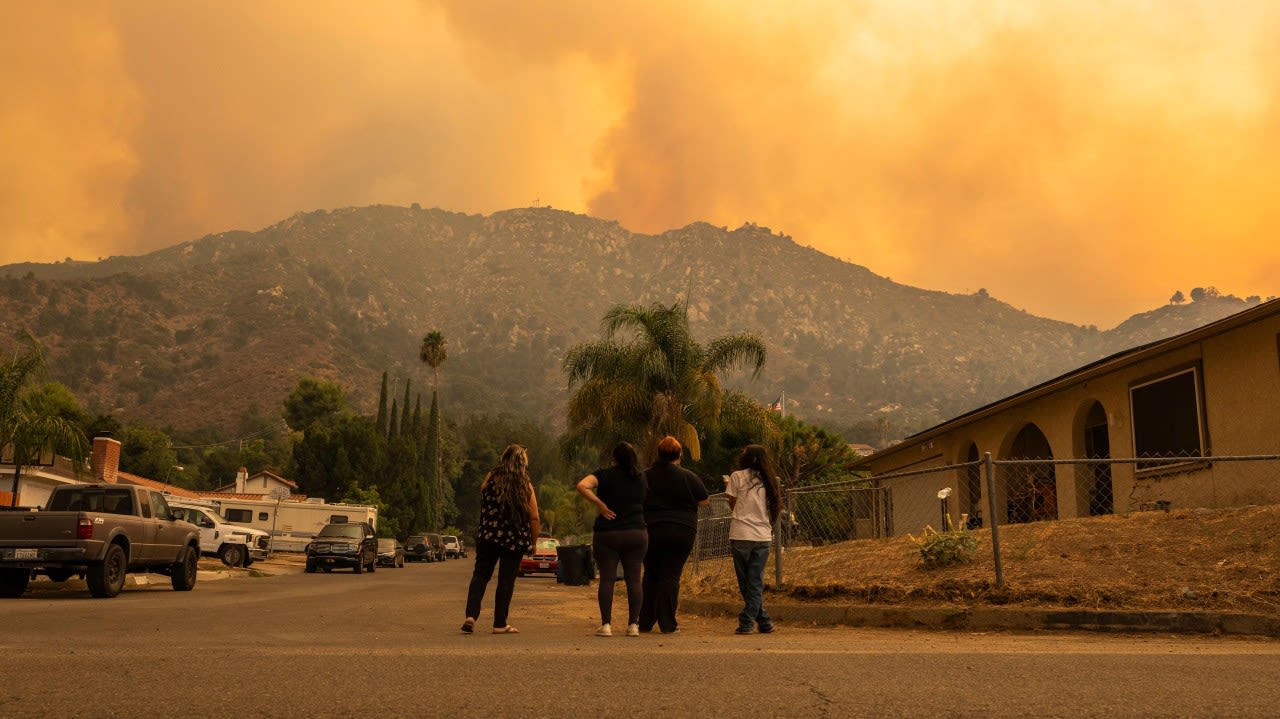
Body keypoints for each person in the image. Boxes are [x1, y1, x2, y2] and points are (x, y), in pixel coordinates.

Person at [462, 444, 540, 635]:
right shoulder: (525, 485)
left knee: (480, 575)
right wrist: (534, 542)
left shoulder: (490, 478)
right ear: (522, 462)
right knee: (506, 580)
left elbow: (483, 494)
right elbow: (535, 517)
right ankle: (499, 624)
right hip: (514, 540)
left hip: (488, 536)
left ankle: (471, 616)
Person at [576, 441, 648, 638]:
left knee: (607, 579)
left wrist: (600, 504)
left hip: (608, 534)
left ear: (613, 458)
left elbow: (582, 485)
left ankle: (606, 625)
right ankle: (633, 625)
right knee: (634, 579)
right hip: (636, 533)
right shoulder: (641, 478)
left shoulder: (604, 474)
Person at [638, 435, 709, 634]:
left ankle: (644, 622)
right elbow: (704, 501)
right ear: (679, 455)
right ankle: (668, 624)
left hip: (650, 530)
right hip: (681, 531)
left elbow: (637, 499)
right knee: (670, 575)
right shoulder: (688, 476)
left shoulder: (645, 476)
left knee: (651, 574)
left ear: (658, 454)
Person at [725, 444, 782, 634]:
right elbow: (773, 508)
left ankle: (746, 621)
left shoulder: (736, 476)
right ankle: (764, 621)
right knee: (755, 581)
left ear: (749, 458)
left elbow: (732, 504)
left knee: (745, 582)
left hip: (741, 534)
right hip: (763, 535)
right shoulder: (770, 480)